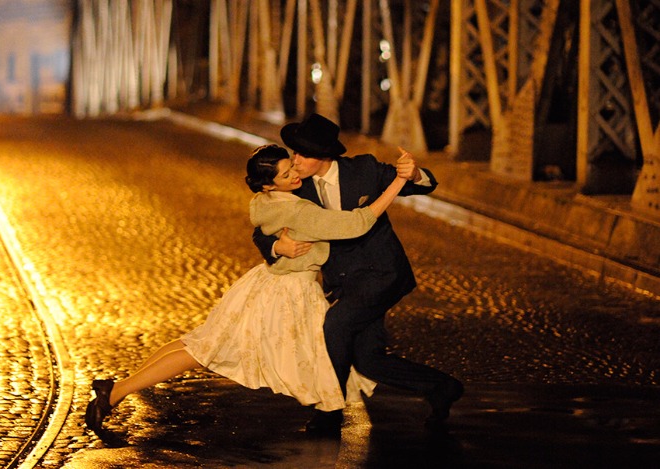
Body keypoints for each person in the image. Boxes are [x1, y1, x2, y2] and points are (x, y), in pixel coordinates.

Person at [84, 144, 412, 432]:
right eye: (286, 175)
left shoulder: (263, 201)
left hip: (266, 283)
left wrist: (277, 246)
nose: (296, 174)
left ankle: (116, 390)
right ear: (270, 183)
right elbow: (358, 222)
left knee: (201, 343)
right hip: (286, 293)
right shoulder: (300, 211)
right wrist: (398, 181)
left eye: (291, 166)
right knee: (206, 349)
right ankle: (113, 392)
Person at [253, 113, 464, 434]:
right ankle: (441, 387)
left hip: (383, 273)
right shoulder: (295, 186)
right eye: (294, 153)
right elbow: (263, 225)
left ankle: (329, 411)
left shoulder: (364, 170)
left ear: (325, 157)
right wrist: (276, 247)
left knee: (335, 326)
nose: (295, 161)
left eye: (303, 155)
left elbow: (424, 185)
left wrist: (415, 172)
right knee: (367, 360)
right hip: (342, 281)